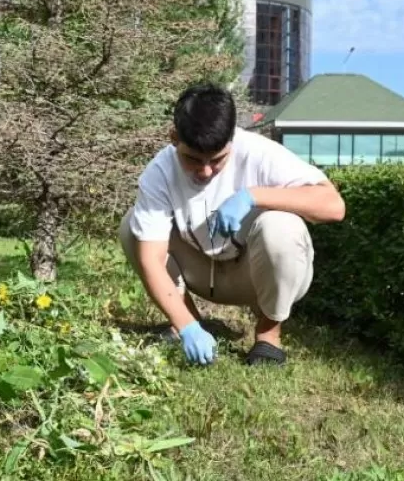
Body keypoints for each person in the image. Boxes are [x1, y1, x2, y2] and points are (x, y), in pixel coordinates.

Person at [119, 83, 345, 367]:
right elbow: (151, 260)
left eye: (217, 160)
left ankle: (267, 336)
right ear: (174, 138)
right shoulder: (160, 171)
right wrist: (187, 326)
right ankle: (188, 324)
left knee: (282, 226)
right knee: (132, 227)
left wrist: (253, 195)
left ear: (232, 141)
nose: (205, 172)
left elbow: (333, 206)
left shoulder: (260, 153)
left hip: (254, 276)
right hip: (200, 271)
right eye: (193, 160)